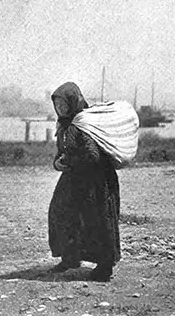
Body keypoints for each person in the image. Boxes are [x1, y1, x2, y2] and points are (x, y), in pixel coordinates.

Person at [48, 82, 121, 282]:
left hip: (96, 181)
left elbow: (93, 156)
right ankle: (69, 258)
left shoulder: (84, 125)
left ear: (73, 102)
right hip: (74, 178)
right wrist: (57, 163)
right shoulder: (64, 125)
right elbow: (61, 152)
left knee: (97, 220)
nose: (61, 109)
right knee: (61, 213)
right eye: (58, 105)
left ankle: (105, 267)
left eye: (64, 104)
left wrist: (68, 162)